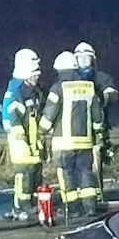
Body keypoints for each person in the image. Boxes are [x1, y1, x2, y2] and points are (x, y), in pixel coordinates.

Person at [42, 51, 102, 219]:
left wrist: (41, 131)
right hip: (85, 142)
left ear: (60, 70)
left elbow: (49, 115)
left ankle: (72, 208)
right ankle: (90, 207)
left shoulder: (57, 88)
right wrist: (97, 133)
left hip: (64, 143)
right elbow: (97, 116)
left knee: (66, 174)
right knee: (85, 173)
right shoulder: (89, 87)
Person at [0, 48, 47, 221]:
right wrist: (21, 139)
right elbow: (13, 118)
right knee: (24, 173)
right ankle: (21, 204)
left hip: (32, 139)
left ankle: (32, 203)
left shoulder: (33, 91)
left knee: (35, 172)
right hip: (20, 140)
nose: (37, 77)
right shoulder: (17, 92)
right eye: (34, 74)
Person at [73, 41, 119, 193]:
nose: (83, 61)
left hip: (97, 127)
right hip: (77, 128)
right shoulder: (71, 80)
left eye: (86, 58)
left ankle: (97, 192)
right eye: (80, 58)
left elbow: (112, 95)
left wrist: (101, 99)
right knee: (77, 163)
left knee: (95, 160)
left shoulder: (102, 78)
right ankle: (80, 193)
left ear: (92, 59)